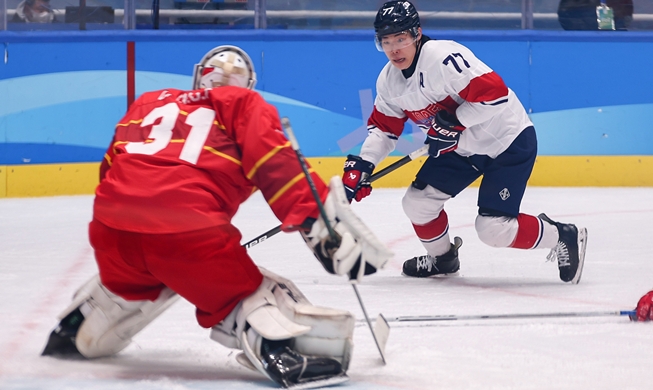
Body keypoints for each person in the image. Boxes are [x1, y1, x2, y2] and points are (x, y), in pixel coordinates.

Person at [40, 45, 393, 389]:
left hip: (111, 231)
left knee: (143, 275)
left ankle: (80, 325)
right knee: (251, 291)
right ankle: (285, 347)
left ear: (200, 77)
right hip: (188, 232)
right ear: (247, 84)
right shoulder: (243, 104)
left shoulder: (148, 102)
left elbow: (112, 169)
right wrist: (321, 225)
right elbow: (277, 167)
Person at [342, 1, 588, 283]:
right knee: (417, 203)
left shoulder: (442, 58)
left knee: (493, 229)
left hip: (506, 141)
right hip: (461, 148)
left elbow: (496, 95)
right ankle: (443, 260)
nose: (395, 49)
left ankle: (563, 235)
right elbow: (385, 129)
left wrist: (454, 122)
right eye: (386, 41)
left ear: (417, 34)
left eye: (401, 38)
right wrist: (364, 164)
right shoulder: (388, 82)